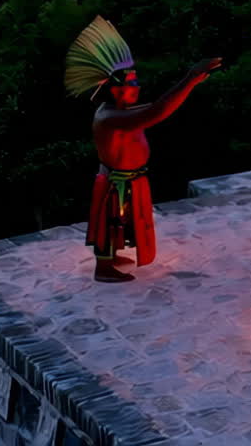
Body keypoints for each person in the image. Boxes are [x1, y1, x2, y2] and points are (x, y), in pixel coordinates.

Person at [64, 16, 221, 283]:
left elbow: (153, 108)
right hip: (117, 180)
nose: (137, 87)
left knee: (121, 222)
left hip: (130, 178)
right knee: (110, 221)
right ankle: (103, 267)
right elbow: (156, 111)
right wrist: (190, 78)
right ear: (115, 90)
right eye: (132, 83)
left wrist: (191, 81)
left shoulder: (121, 112)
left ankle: (111, 257)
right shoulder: (109, 117)